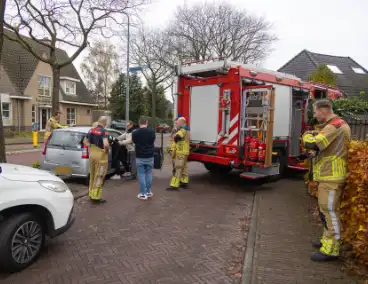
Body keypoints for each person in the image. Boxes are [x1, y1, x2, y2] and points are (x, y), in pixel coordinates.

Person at [302, 100, 351, 262]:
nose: (315, 116)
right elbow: (325, 146)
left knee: (329, 212)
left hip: (331, 177)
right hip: (330, 175)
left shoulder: (333, 126)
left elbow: (313, 143)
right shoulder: (338, 125)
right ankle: (326, 242)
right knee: (326, 211)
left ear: (323, 111)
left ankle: (332, 250)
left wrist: (306, 135)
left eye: (315, 112)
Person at [87, 116, 110, 204]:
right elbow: (106, 144)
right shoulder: (103, 131)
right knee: (99, 175)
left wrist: (92, 147)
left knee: (92, 174)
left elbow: (85, 141)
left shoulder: (91, 130)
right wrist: (106, 150)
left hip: (92, 154)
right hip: (101, 156)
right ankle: (96, 197)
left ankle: (91, 193)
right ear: (105, 123)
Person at [132, 119, 156, 200]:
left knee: (141, 175)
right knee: (149, 174)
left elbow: (134, 141)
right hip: (150, 156)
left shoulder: (135, 132)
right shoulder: (152, 132)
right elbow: (152, 141)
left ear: (139, 124)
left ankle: (143, 194)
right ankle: (148, 192)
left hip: (140, 156)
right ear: (147, 123)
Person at [166, 117, 190, 190]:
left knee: (178, 168)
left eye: (177, 122)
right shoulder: (187, 130)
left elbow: (177, 137)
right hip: (185, 152)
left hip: (180, 152)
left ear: (181, 123)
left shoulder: (182, 130)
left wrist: (174, 135)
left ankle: (174, 185)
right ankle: (184, 182)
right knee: (184, 168)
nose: (176, 124)